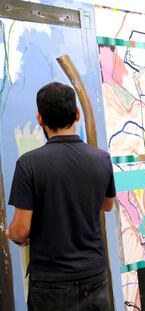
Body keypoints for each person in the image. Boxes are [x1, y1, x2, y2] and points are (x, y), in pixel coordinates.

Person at [6, 82, 115, 310]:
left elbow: (21, 230)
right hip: (94, 277)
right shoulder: (101, 159)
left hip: (51, 285)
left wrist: (11, 233)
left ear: (40, 119)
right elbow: (107, 205)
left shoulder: (28, 164)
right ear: (77, 115)